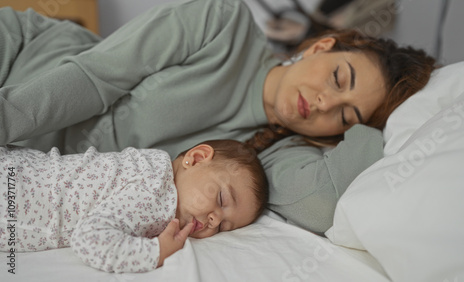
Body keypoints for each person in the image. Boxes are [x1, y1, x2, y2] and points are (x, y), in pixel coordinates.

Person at [0, 0, 436, 234]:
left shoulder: (270, 154)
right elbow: (93, 80)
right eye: (338, 79)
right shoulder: (221, 23)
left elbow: (322, 207)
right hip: (21, 65)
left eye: (345, 114)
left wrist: (372, 126)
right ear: (320, 46)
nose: (324, 103)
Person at [0, 140, 268, 273]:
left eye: (223, 226)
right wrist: (156, 252)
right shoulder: (157, 193)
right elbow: (90, 240)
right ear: (196, 158)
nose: (213, 219)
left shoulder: (149, 165)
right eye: (221, 200)